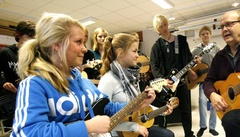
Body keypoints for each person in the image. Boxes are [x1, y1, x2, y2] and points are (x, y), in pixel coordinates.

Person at [11, 12, 155, 137]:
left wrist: (137, 104)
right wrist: (87, 127)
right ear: (57, 45)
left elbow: (108, 108)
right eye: (78, 42)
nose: (85, 49)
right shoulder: (34, 84)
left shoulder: (82, 81)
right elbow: (27, 132)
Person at [98, 33, 174, 137]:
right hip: (120, 133)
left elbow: (139, 107)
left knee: (168, 135)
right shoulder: (107, 80)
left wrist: (161, 111)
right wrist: (134, 127)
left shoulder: (132, 78)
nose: (138, 55)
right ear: (121, 53)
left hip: (135, 130)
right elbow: (102, 120)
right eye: (134, 51)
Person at [150, 14, 196, 137]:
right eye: (161, 26)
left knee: (186, 111)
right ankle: (163, 134)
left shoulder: (181, 40)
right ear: (157, 29)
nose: (165, 28)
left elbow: (189, 58)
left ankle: (189, 134)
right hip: (166, 86)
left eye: (165, 24)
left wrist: (192, 68)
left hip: (181, 82)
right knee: (164, 111)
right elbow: (154, 67)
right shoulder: (156, 46)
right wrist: (164, 81)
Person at [190, 26, 220, 137]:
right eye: (203, 34)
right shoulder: (195, 50)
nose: (205, 35)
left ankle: (212, 127)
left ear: (210, 35)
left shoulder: (216, 48)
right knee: (201, 101)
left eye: (207, 33)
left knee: (213, 103)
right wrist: (194, 65)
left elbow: (222, 61)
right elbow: (189, 64)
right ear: (200, 36)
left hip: (214, 80)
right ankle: (203, 126)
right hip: (202, 81)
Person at [0, 20, 35, 95]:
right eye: (28, 38)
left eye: (33, 39)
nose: (31, 42)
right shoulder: (5, 52)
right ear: (18, 35)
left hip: (27, 95)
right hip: (9, 97)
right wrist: (3, 83)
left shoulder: (34, 56)